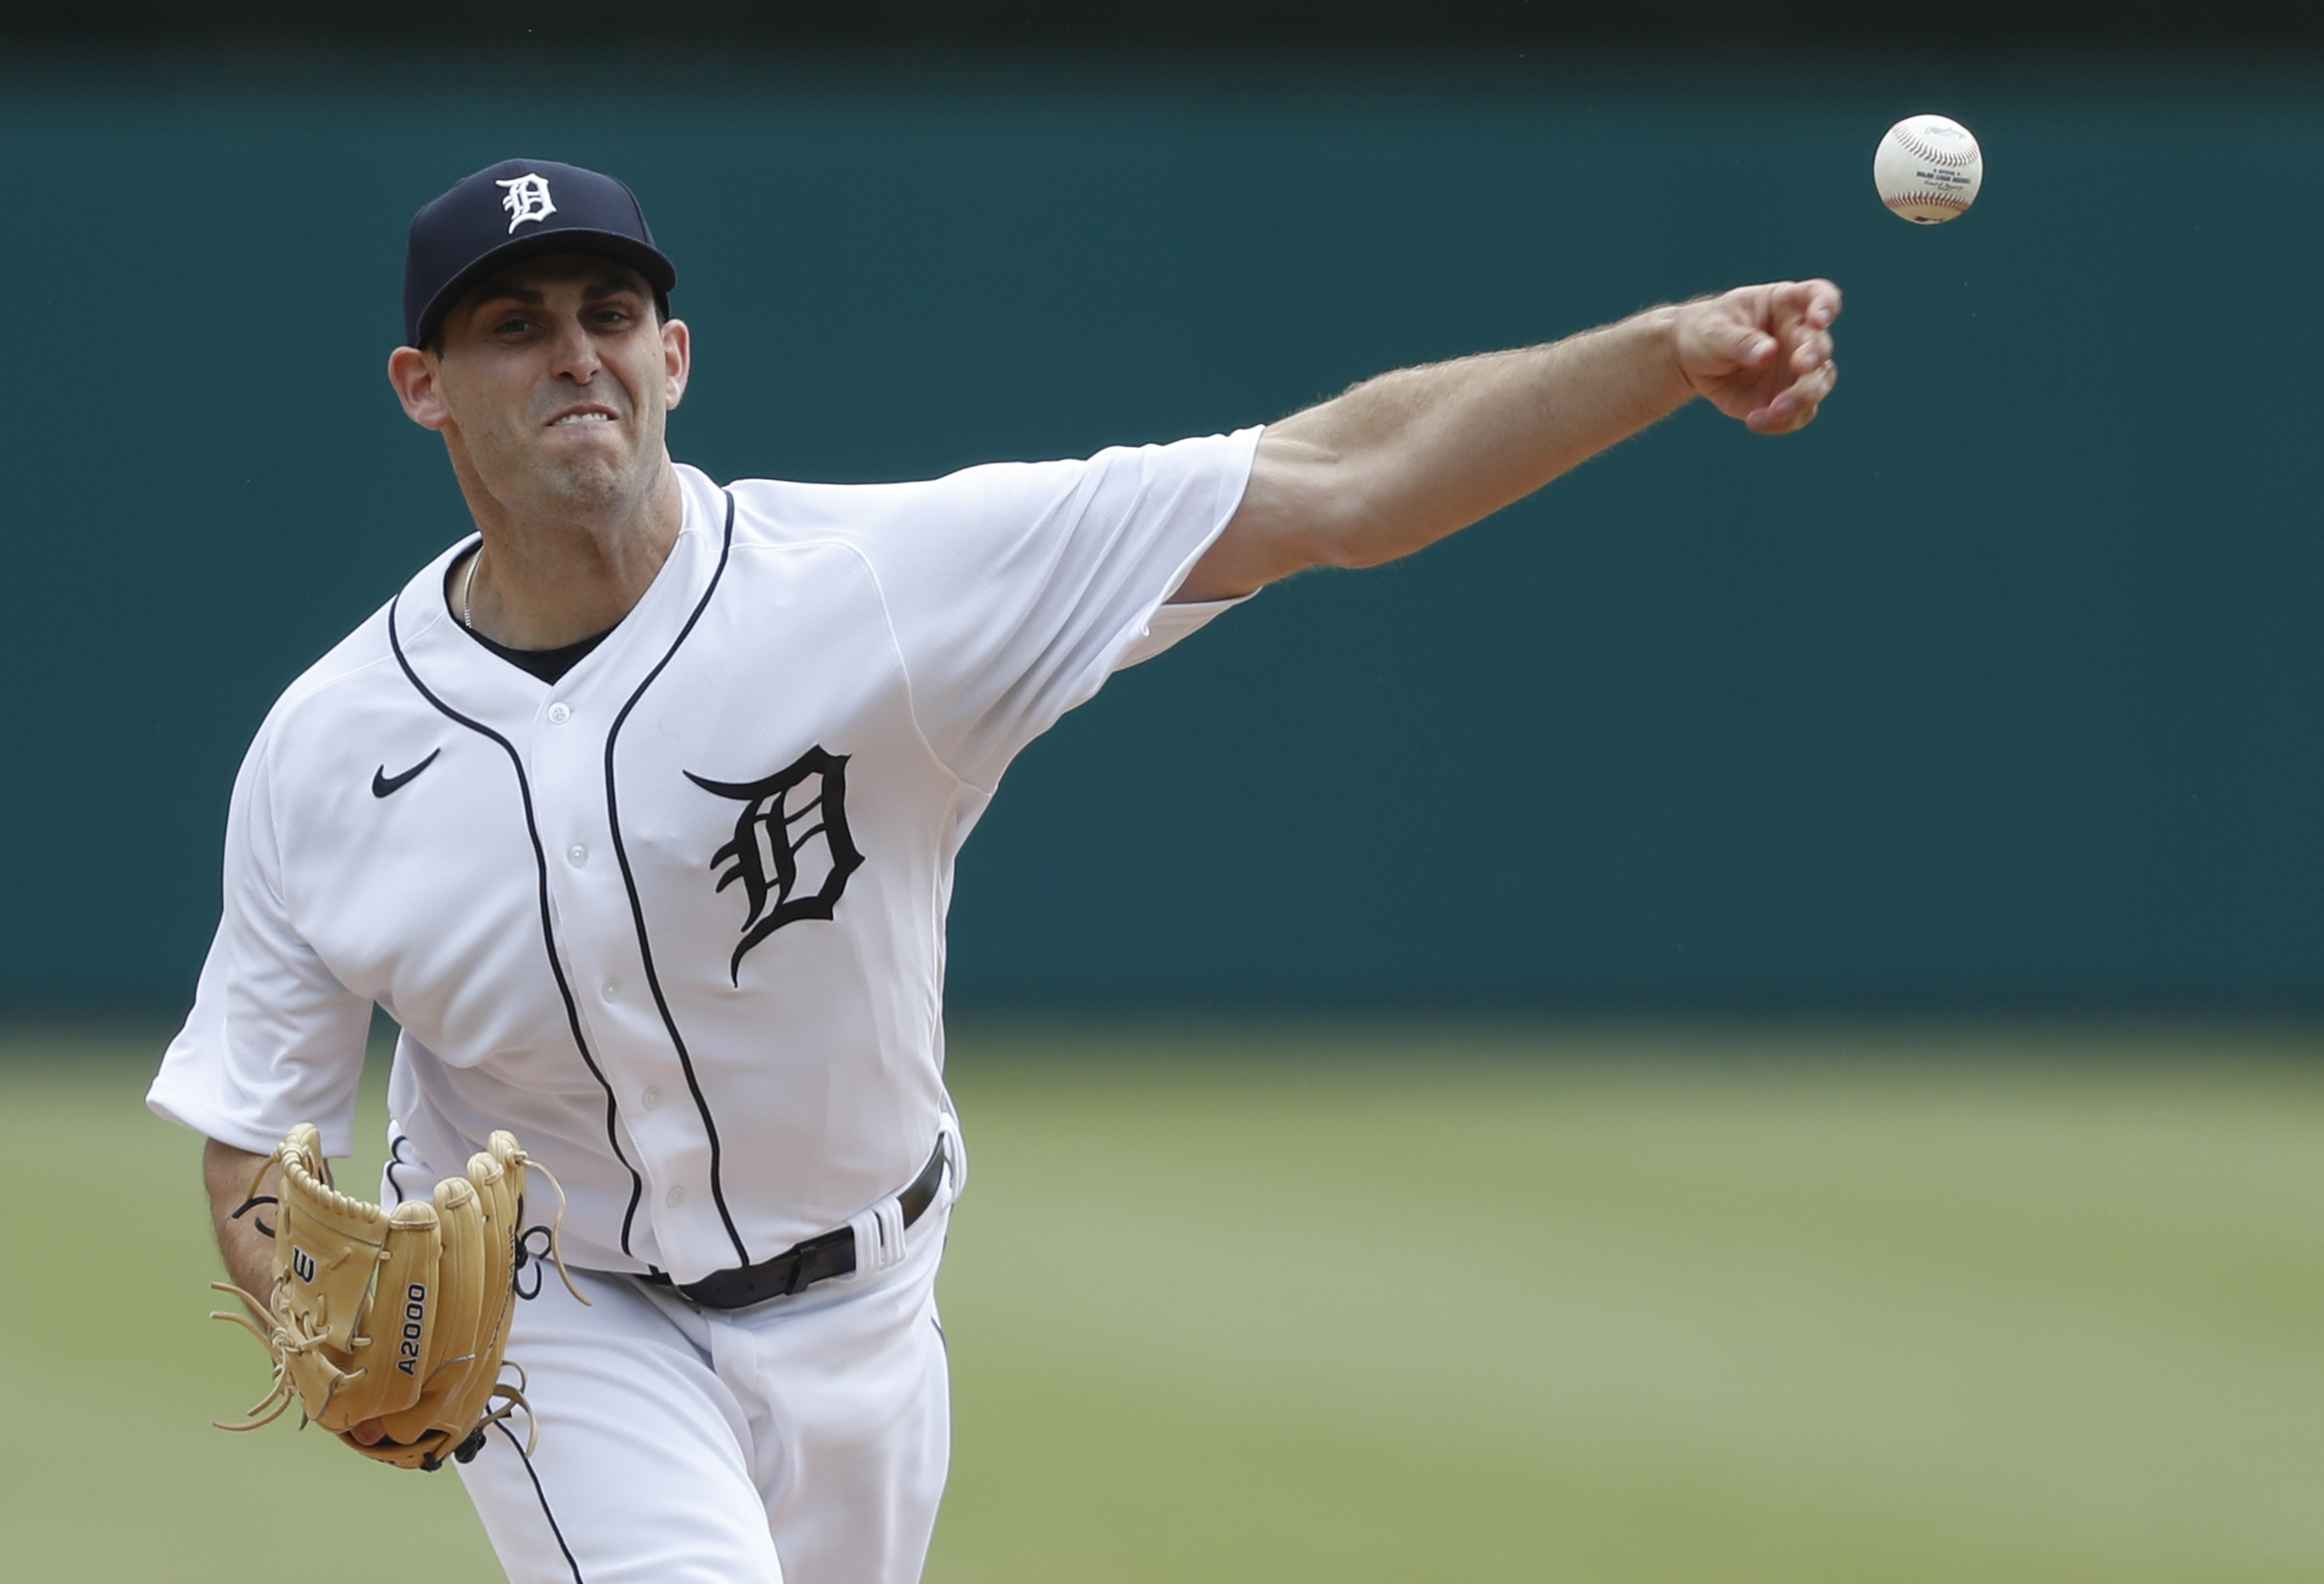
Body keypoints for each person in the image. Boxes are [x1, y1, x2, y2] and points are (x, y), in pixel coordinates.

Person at [148, 157, 1840, 1584]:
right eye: (511, 327)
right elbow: (255, 1121)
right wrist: (307, 1292)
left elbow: (1338, 478)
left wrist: (1661, 355)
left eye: (605, 317)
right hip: (566, 1320)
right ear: (422, 386)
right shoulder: (328, 748)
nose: (571, 356)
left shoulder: (873, 584)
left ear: (675, 355)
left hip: (874, 1304)